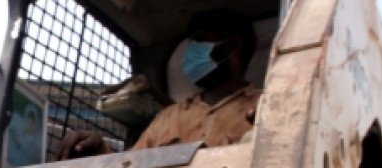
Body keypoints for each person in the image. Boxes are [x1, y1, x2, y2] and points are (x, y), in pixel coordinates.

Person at [56, 9, 261, 160]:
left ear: (233, 48)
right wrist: (100, 153)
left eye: (201, 41)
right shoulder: (168, 117)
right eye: (190, 45)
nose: (190, 54)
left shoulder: (266, 107)